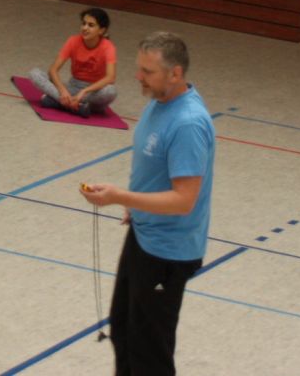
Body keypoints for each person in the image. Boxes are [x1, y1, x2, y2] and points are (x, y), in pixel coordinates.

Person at [82, 31, 215, 375]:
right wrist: (136, 203)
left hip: (167, 253)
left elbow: (184, 200)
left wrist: (120, 197)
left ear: (175, 73)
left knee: (149, 354)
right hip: (144, 236)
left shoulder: (188, 123)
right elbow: (156, 170)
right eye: (139, 68)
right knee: (124, 331)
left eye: (148, 71)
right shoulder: (159, 100)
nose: (138, 76)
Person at [27, 7, 118, 116]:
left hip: (93, 92)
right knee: (34, 73)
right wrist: (62, 91)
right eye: (83, 23)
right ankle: (76, 106)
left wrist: (85, 91)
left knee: (111, 91)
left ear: (101, 30)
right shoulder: (73, 41)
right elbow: (53, 70)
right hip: (72, 86)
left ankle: (59, 102)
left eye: (91, 25)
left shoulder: (108, 47)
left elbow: (110, 78)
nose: (85, 28)